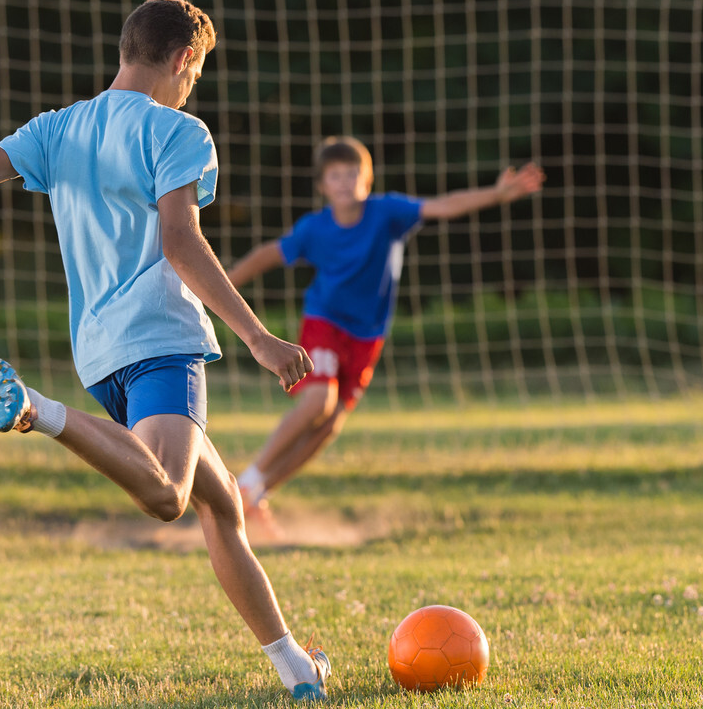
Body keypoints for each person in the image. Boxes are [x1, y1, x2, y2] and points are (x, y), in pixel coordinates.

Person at [0, 0, 331, 702]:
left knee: (221, 503)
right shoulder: (180, 130)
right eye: (194, 74)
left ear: (125, 49)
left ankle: (297, 670)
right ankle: (37, 410)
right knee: (169, 494)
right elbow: (180, 242)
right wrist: (259, 337)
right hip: (160, 342)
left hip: (101, 356)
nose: (190, 88)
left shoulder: (58, 128)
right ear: (182, 59)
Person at [227, 136, 544, 533]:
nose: (345, 182)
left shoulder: (387, 213)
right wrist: (219, 287)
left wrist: (496, 195)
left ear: (367, 181)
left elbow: (444, 206)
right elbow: (266, 255)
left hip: (366, 337)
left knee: (330, 426)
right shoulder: (314, 229)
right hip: (324, 322)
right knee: (318, 404)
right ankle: (242, 484)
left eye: (353, 174)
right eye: (335, 176)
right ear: (323, 185)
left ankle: (257, 493)